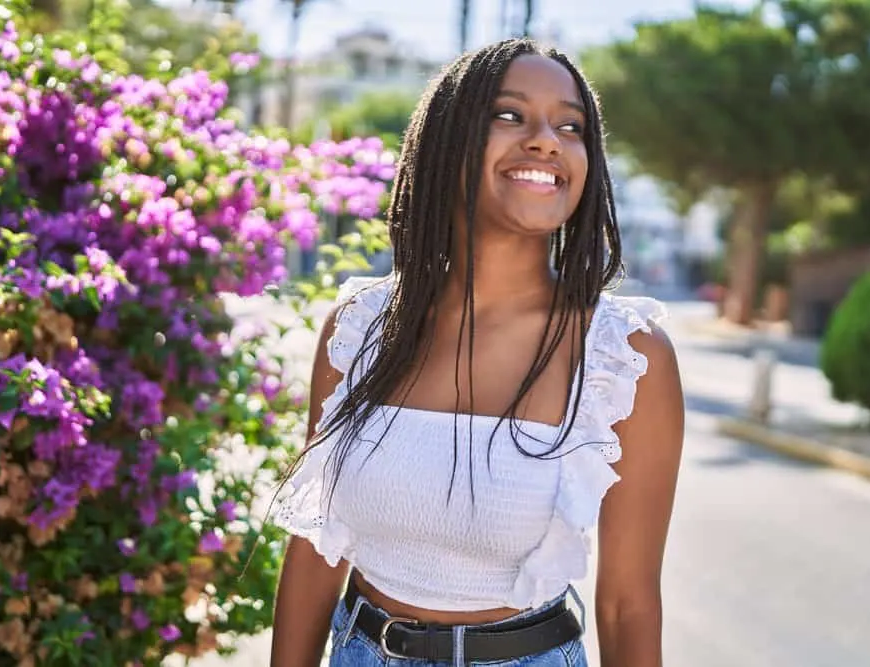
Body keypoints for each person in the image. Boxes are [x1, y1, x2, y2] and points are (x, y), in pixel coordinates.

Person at [269, 38, 685, 667]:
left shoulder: (623, 356)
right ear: (446, 142)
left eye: (570, 126)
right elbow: (315, 549)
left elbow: (628, 605)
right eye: (510, 115)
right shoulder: (359, 327)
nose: (546, 140)